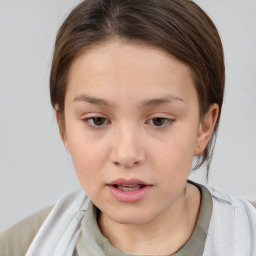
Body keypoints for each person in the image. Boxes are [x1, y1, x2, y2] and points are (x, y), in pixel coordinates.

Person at [1, 0, 256, 255]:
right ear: (62, 126)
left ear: (204, 126)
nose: (126, 154)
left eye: (159, 121)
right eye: (97, 120)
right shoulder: (18, 248)